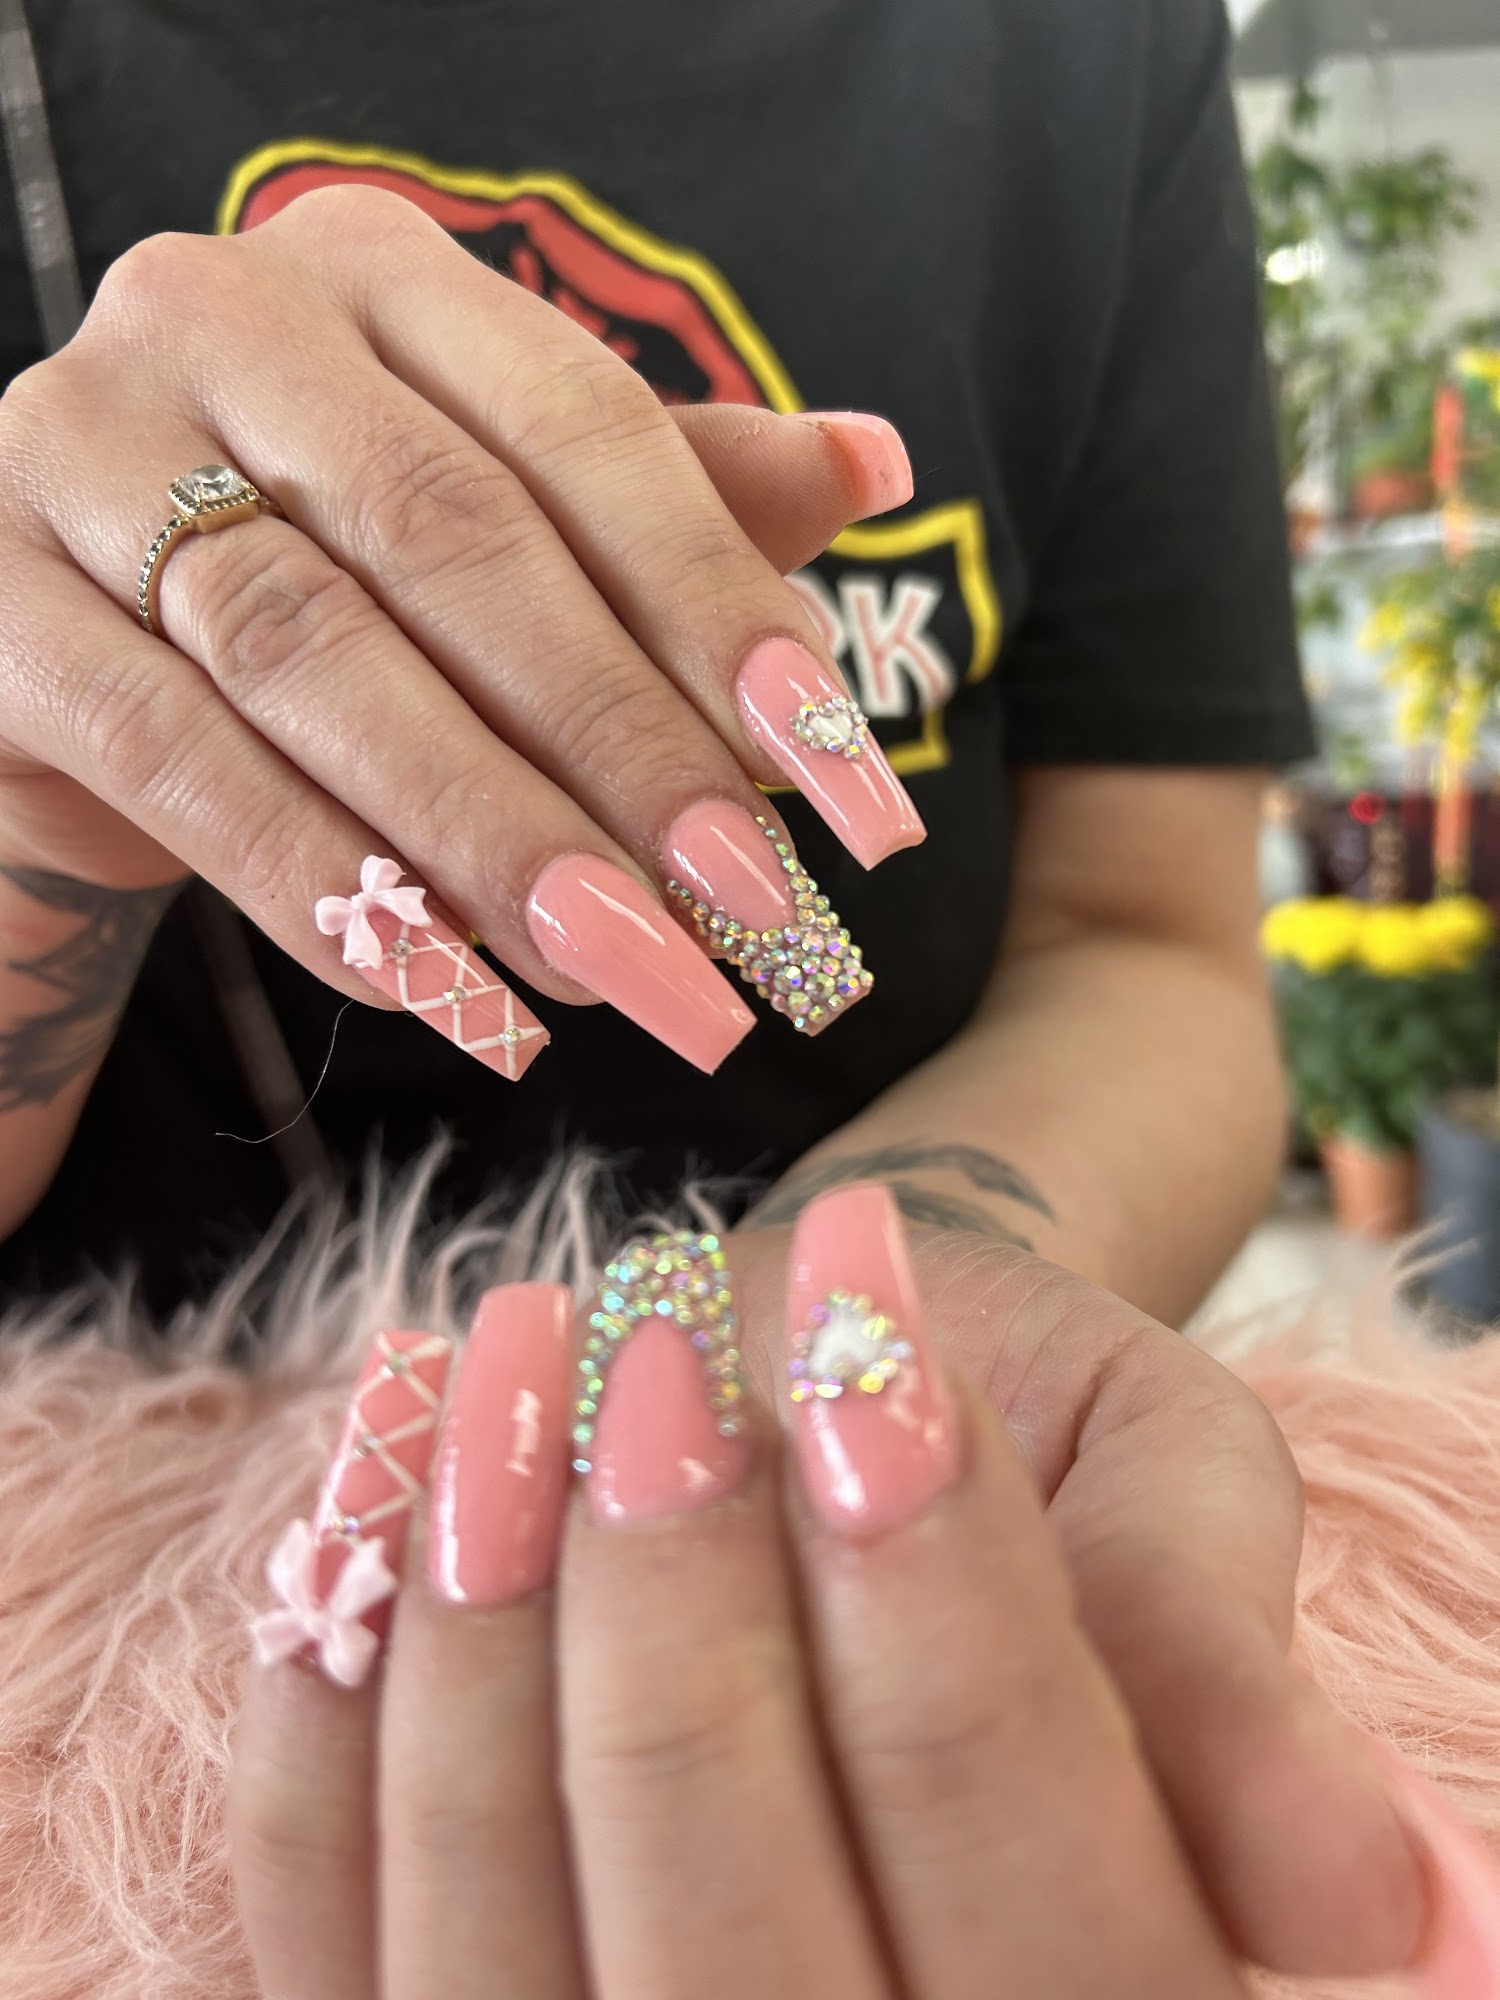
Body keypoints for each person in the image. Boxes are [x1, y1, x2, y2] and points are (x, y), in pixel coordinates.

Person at [6, 1, 1479, 1990]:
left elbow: (1145, 939)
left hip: (939, 1444)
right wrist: (37, 818)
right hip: (120, 1627)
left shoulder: (1085, 43)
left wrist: (892, 1260)